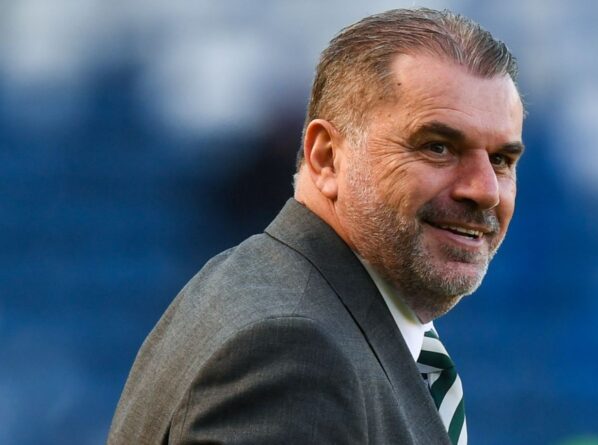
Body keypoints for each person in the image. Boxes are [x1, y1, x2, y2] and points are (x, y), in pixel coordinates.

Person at [108, 7, 524, 445]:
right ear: (326, 157)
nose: (485, 191)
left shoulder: (282, 298)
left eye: (501, 160)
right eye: (437, 147)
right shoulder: (294, 348)